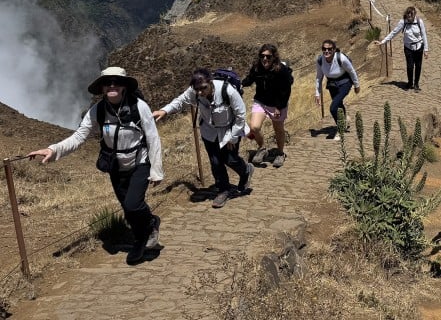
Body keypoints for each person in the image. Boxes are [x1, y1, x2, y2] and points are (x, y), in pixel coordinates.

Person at [28, 66, 163, 265]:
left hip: (139, 162)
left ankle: (144, 234)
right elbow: (79, 137)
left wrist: (156, 170)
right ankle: (146, 229)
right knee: (127, 209)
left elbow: (153, 138)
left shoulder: (139, 106)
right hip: (115, 166)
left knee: (132, 204)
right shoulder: (98, 111)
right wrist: (53, 150)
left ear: (124, 86)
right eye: (107, 82)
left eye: (116, 81)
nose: (112, 85)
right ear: (101, 88)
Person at [153, 68, 252, 208]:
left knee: (230, 159)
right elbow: (180, 100)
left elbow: (241, 116)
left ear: (210, 82)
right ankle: (223, 190)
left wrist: (233, 137)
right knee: (215, 162)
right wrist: (164, 110)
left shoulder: (227, 91)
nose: (200, 92)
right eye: (197, 89)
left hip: (229, 130)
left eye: (203, 88)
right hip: (209, 131)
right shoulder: (194, 92)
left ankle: (245, 170)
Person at [241, 44, 294, 168]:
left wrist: (279, 107)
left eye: (268, 57)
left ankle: (280, 153)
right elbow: (249, 79)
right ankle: (262, 148)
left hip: (277, 104)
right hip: (261, 102)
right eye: (262, 56)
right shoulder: (257, 68)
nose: (265, 59)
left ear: (274, 57)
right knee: (254, 127)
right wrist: (239, 84)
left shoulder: (281, 70)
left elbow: (286, 90)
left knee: (278, 129)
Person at [374, 6, 428, 91]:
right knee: (410, 66)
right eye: (408, 15)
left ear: (414, 15)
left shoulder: (419, 21)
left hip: (419, 47)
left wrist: (426, 49)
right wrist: (383, 42)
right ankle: (410, 83)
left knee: (418, 66)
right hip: (408, 48)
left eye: (411, 16)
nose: (410, 17)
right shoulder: (403, 22)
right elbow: (394, 32)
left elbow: (424, 34)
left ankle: (416, 84)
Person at [315, 39, 361, 133]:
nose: (326, 51)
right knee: (339, 104)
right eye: (324, 48)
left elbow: (351, 71)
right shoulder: (320, 60)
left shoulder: (341, 58)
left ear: (334, 49)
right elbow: (319, 78)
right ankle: (344, 121)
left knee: (333, 107)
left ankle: (340, 128)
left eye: (329, 49)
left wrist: (356, 85)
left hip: (345, 82)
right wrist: (317, 93)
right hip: (332, 84)